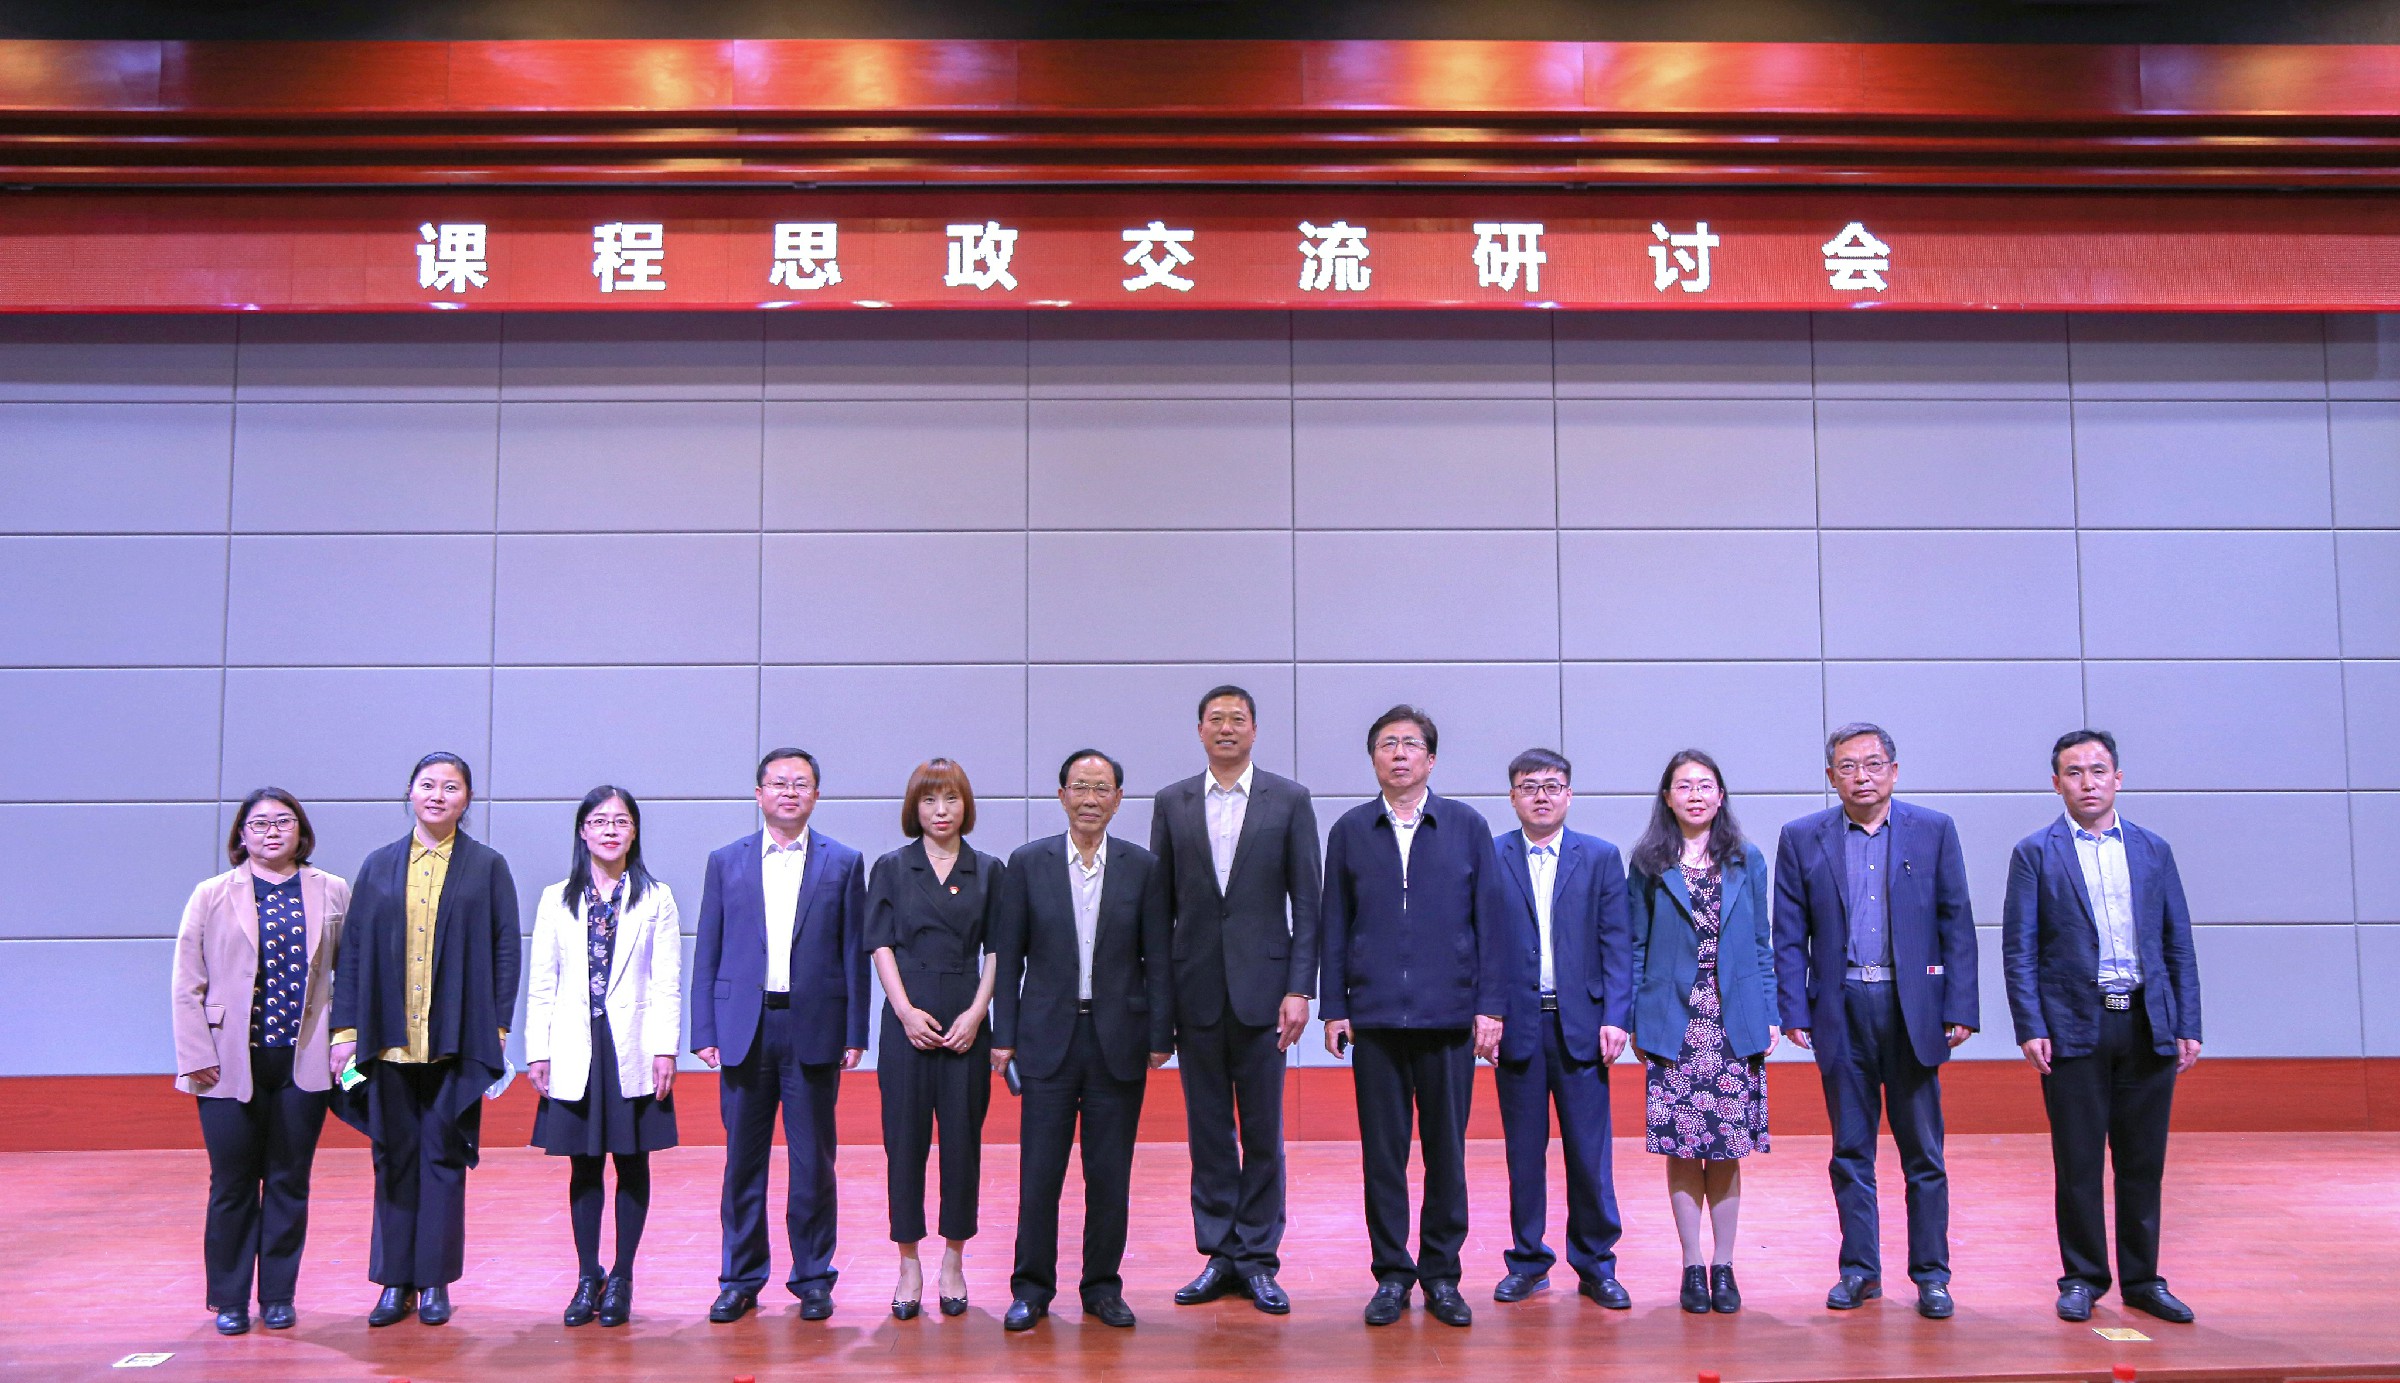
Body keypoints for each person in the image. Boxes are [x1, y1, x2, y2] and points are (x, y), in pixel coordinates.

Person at [1773, 723, 1978, 1319]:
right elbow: (1789, 932)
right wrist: (1794, 1008)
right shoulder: (1801, 837)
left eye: (1872, 764)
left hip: (1912, 1008)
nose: (1861, 776)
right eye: (1847, 766)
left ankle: (1932, 1275)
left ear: (1893, 770)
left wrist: (1961, 1005)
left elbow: (1956, 921)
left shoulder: (1933, 830)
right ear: (1830, 776)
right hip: (1840, 1009)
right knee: (1850, 1150)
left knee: (1924, 1153)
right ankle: (1860, 1270)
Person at [1318, 705, 1513, 1330]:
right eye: (1387, 744)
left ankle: (1442, 1274)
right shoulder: (1351, 830)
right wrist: (1334, 1007)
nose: (1399, 754)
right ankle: (1392, 1275)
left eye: (1410, 744)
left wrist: (1489, 1006)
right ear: (1373, 758)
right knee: (1383, 1157)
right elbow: (1333, 923)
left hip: (1448, 1019)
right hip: (1375, 1021)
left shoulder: (1466, 826)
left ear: (1430, 759)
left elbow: (1491, 924)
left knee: (1445, 1154)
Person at [2004, 729, 2203, 1326]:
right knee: (2079, 1161)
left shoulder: (2152, 849)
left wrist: (2187, 1021)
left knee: (2143, 1162)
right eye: (2074, 772)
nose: (2087, 783)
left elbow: (2177, 942)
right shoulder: (2035, 853)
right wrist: (2029, 1024)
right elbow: (2020, 949)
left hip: (2146, 1022)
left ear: (2118, 778)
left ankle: (2143, 1280)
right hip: (2072, 1025)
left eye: (2098, 771)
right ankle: (2083, 1277)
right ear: (2056, 783)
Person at [329, 752, 521, 1328]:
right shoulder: (378, 865)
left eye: (451, 787)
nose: (438, 795)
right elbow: (353, 951)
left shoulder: (487, 866)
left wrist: (497, 1027)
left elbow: (505, 948)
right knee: (392, 1156)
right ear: (410, 793)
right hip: (386, 1040)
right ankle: (394, 1282)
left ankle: (435, 1281)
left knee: (443, 1155)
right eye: (428, 785)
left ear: (467, 799)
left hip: (455, 1039)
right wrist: (345, 1031)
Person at [1148, 685, 1321, 1315]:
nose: (1226, 728)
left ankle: (1258, 1257)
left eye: (1237, 719)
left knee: (1264, 1132)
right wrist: (1161, 1004)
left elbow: (1308, 903)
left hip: (1266, 995)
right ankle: (1219, 1253)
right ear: (1199, 730)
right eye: (1215, 719)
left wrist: (1299, 987)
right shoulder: (1172, 802)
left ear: (1254, 729)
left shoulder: (1289, 800)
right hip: (1195, 991)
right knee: (1209, 1131)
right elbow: (1159, 910)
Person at [990, 749, 1174, 1332]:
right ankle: (1031, 1288)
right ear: (1062, 795)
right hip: (1046, 1040)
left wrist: (1161, 1033)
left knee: (1109, 1175)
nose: (1090, 798)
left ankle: (1101, 1286)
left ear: (1118, 799)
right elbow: (1009, 958)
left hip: (1118, 1039)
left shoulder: (1144, 867)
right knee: (1039, 1174)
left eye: (1101, 788)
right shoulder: (1028, 863)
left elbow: (1158, 959)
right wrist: (1004, 1035)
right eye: (1080, 787)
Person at [691, 747, 870, 1324]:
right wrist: (704, 1028)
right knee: (742, 1163)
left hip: (813, 1027)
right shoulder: (726, 861)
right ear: (759, 794)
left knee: (813, 1162)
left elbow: (854, 952)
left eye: (801, 783)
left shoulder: (844, 862)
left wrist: (855, 1029)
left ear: (816, 794)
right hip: (744, 1027)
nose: (789, 792)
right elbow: (708, 949)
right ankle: (740, 1278)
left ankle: (813, 1277)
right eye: (778, 783)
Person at [171, 788, 350, 1336]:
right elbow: (187, 981)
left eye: (283, 821)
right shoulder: (211, 894)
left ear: (301, 830)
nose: (272, 831)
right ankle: (228, 1299)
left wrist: (348, 1040)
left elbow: (353, 974)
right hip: (226, 1062)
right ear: (241, 835)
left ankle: (278, 1295)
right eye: (260, 823)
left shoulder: (333, 889)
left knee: (290, 1180)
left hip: (304, 1062)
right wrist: (195, 1054)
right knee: (232, 1183)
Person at [526, 786, 682, 1328]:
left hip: (632, 1044)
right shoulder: (556, 898)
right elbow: (542, 982)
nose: (610, 830)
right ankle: (586, 1275)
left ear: (634, 832)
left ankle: (622, 1277)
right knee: (584, 1165)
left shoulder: (656, 897)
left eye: (621, 821)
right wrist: (538, 1050)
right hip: (575, 1044)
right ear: (582, 831)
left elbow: (666, 981)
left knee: (632, 1162)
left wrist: (665, 1048)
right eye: (599, 821)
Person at [1626, 749, 1776, 1316]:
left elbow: (1760, 943)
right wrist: (1636, 1017)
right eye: (1684, 785)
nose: (1695, 794)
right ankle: (1692, 1264)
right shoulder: (1648, 861)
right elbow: (1636, 946)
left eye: (1705, 785)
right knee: (1683, 1147)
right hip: (1673, 1020)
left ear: (1720, 795)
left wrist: (1769, 1012)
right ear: (1667, 797)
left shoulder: (1745, 858)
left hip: (1733, 1018)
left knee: (1727, 1149)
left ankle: (1724, 1265)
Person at [1489, 749, 1634, 1311]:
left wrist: (1616, 1016)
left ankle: (1596, 1264)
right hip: (1517, 1026)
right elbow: (1478, 942)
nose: (1541, 796)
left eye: (1552, 786)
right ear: (1513, 797)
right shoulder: (1492, 854)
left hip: (1583, 1026)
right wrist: (1487, 1012)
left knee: (1588, 1154)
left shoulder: (1598, 857)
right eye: (1529, 786)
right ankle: (1528, 1262)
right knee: (1523, 1154)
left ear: (1569, 795)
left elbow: (1617, 943)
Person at [867, 759, 1005, 1321]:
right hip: (908, 1020)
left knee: (962, 1145)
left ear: (966, 806)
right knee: (904, 1144)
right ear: (915, 808)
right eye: (929, 800)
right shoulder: (891, 868)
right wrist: (904, 1012)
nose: (941, 811)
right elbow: (880, 945)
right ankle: (908, 1263)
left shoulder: (989, 870)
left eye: (951, 799)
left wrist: (977, 1013)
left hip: (965, 1020)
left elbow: (998, 950)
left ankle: (953, 1260)